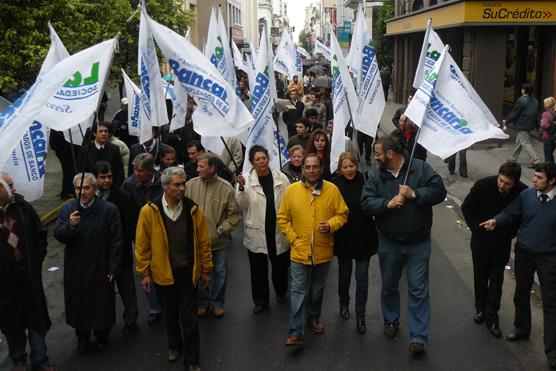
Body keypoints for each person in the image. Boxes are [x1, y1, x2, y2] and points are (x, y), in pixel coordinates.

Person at [360, 135, 446, 355]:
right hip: (389, 242)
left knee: (418, 290)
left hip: (418, 243)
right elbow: (366, 202)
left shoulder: (420, 168)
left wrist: (415, 194)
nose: (375, 158)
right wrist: (386, 203)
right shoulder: (376, 176)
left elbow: (439, 191)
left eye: (378, 153)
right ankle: (391, 320)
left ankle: (418, 337)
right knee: (389, 286)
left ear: (390, 153)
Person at [135, 166, 213, 371]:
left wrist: (206, 270)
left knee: (190, 319)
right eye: (177, 185)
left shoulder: (193, 210)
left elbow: (204, 243)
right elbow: (142, 245)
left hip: (188, 273)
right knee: (170, 316)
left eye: (183, 184)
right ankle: (174, 346)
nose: (182, 188)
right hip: (163, 274)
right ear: (165, 187)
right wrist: (144, 273)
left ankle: (191, 360)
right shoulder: (149, 211)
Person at [480, 163, 556, 369]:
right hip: (524, 252)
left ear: (551, 181)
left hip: (549, 258)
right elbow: (511, 213)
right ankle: (521, 329)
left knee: (550, 303)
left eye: (539, 177)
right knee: (521, 293)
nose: (533, 180)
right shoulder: (527, 196)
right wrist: (496, 221)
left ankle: (552, 351)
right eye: (534, 176)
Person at [277, 153, 348, 346]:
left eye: (315, 167)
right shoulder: (291, 191)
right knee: (299, 291)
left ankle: (313, 318)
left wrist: (331, 225)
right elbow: (282, 218)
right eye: (307, 167)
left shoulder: (332, 190)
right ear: (302, 169)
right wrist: (293, 238)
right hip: (299, 253)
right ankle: (295, 332)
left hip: (323, 252)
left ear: (321, 168)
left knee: (317, 290)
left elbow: (342, 214)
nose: (311, 170)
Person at [54, 173, 122, 353]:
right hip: (76, 267)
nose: (82, 192)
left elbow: (116, 241)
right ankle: (82, 337)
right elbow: (59, 235)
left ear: (95, 189)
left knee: (100, 303)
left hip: (100, 265)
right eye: (78, 188)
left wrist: (113, 267)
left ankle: (102, 335)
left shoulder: (109, 209)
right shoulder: (68, 209)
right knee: (79, 305)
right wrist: (70, 226)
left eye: (86, 188)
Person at [460, 162, 526, 338]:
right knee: (480, 276)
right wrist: (475, 227)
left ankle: (492, 316)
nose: (502, 186)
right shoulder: (483, 185)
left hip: (501, 242)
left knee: (496, 280)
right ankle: (480, 308)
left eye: (507, 183)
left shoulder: (522, 192)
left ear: (515, 182)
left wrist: (511, 233)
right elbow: (466, 207)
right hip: (480, 241)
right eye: (501, 180)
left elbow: (521, 216)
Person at [0, 173, 55, 371]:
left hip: (30, 280)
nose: (14, 189)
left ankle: (40, 359)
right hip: (6, 288)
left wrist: (36, 261)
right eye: (9, 185)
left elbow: (40, 235)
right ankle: (19, 361)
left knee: (36, 322)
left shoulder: (23, 208)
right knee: (13, 327)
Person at [236, 145, 291, 314]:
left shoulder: (281, 178)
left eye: (264, 158)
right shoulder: (244, 180)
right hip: (257, 232)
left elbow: (289, 201)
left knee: (280, 266)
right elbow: (241, 205)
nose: (261, 162)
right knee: (258, 270)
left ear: (268, 159)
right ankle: (261, 300)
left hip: (278, 231)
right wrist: (241, 188)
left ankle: (281, 292)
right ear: (252, 163)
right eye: (257, 160)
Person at [185, 153, 241, 317]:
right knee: (198, 272)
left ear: (212, 168)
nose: (198, 169)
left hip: (219, 242)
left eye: (201, 166)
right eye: (198, 166)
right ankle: (202, 302)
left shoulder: (226, 188)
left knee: (219, 273)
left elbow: (235, 215)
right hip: (196, 242)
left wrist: (221, 230)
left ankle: (217, 303)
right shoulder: (190, 186)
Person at [330, 154, 378, 334]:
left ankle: (360, 315)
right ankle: (344, 303)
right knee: (344, 276)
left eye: (352, 166)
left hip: (364, 238)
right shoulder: (335, 186)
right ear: (340, 169)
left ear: (356, 166)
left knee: (362, 279)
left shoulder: (367, 182)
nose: (349, 170)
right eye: (345, 167)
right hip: (343, 238)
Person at [94, 162, 139, 334]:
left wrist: (119, 241)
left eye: (109, 177)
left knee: (126, 287)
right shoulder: (90, 196)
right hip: (100, 254)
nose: (107, 181)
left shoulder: (122, 197)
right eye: (103, 177)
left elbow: (130, 224)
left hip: (120, 252)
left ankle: (131, 319)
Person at [122, 153, 164, 324]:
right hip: (139, 233)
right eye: (135, 170)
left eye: (140, 171)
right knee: (145, 270)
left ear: (150, 170)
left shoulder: (163, 181)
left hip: (161, 232)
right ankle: (154, 307)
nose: (136, 174)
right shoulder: (129, 184)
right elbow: (124, 208)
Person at [77, 121, 125, 186]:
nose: (103, 134)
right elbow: (81, 171)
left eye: (106, 131)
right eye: (100, 131)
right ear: (94, 133)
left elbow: (119, 172)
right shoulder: (85, 150)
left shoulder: (114, 149)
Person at [505, 83, 540, 167]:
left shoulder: (522, 100)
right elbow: (536, 113)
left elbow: (515, 112)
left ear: (525, 90)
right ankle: (513, 158)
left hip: (522, 124)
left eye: (522, 89)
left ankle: (536, 161)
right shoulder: (535, 100)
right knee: (519, 142)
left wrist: (507, 120)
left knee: (525, 143)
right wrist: (536, 124)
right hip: (529, 124)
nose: (521, 90)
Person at [49, 129, 79, 199]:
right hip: (65, 152)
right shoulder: (58, 128)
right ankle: (67, 191)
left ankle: (68, 191)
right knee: (69, 171)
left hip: (66, 151)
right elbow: (53, 143)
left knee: (69, 171)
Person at [540, 97, 556, 163]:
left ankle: (550, 170)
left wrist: (541, 122)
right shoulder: (554, 112)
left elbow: (544, 125)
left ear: (547, 105)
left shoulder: (545, 114)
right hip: (554, 137)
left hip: (548, 136)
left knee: (548, 157)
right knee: (550, 155)